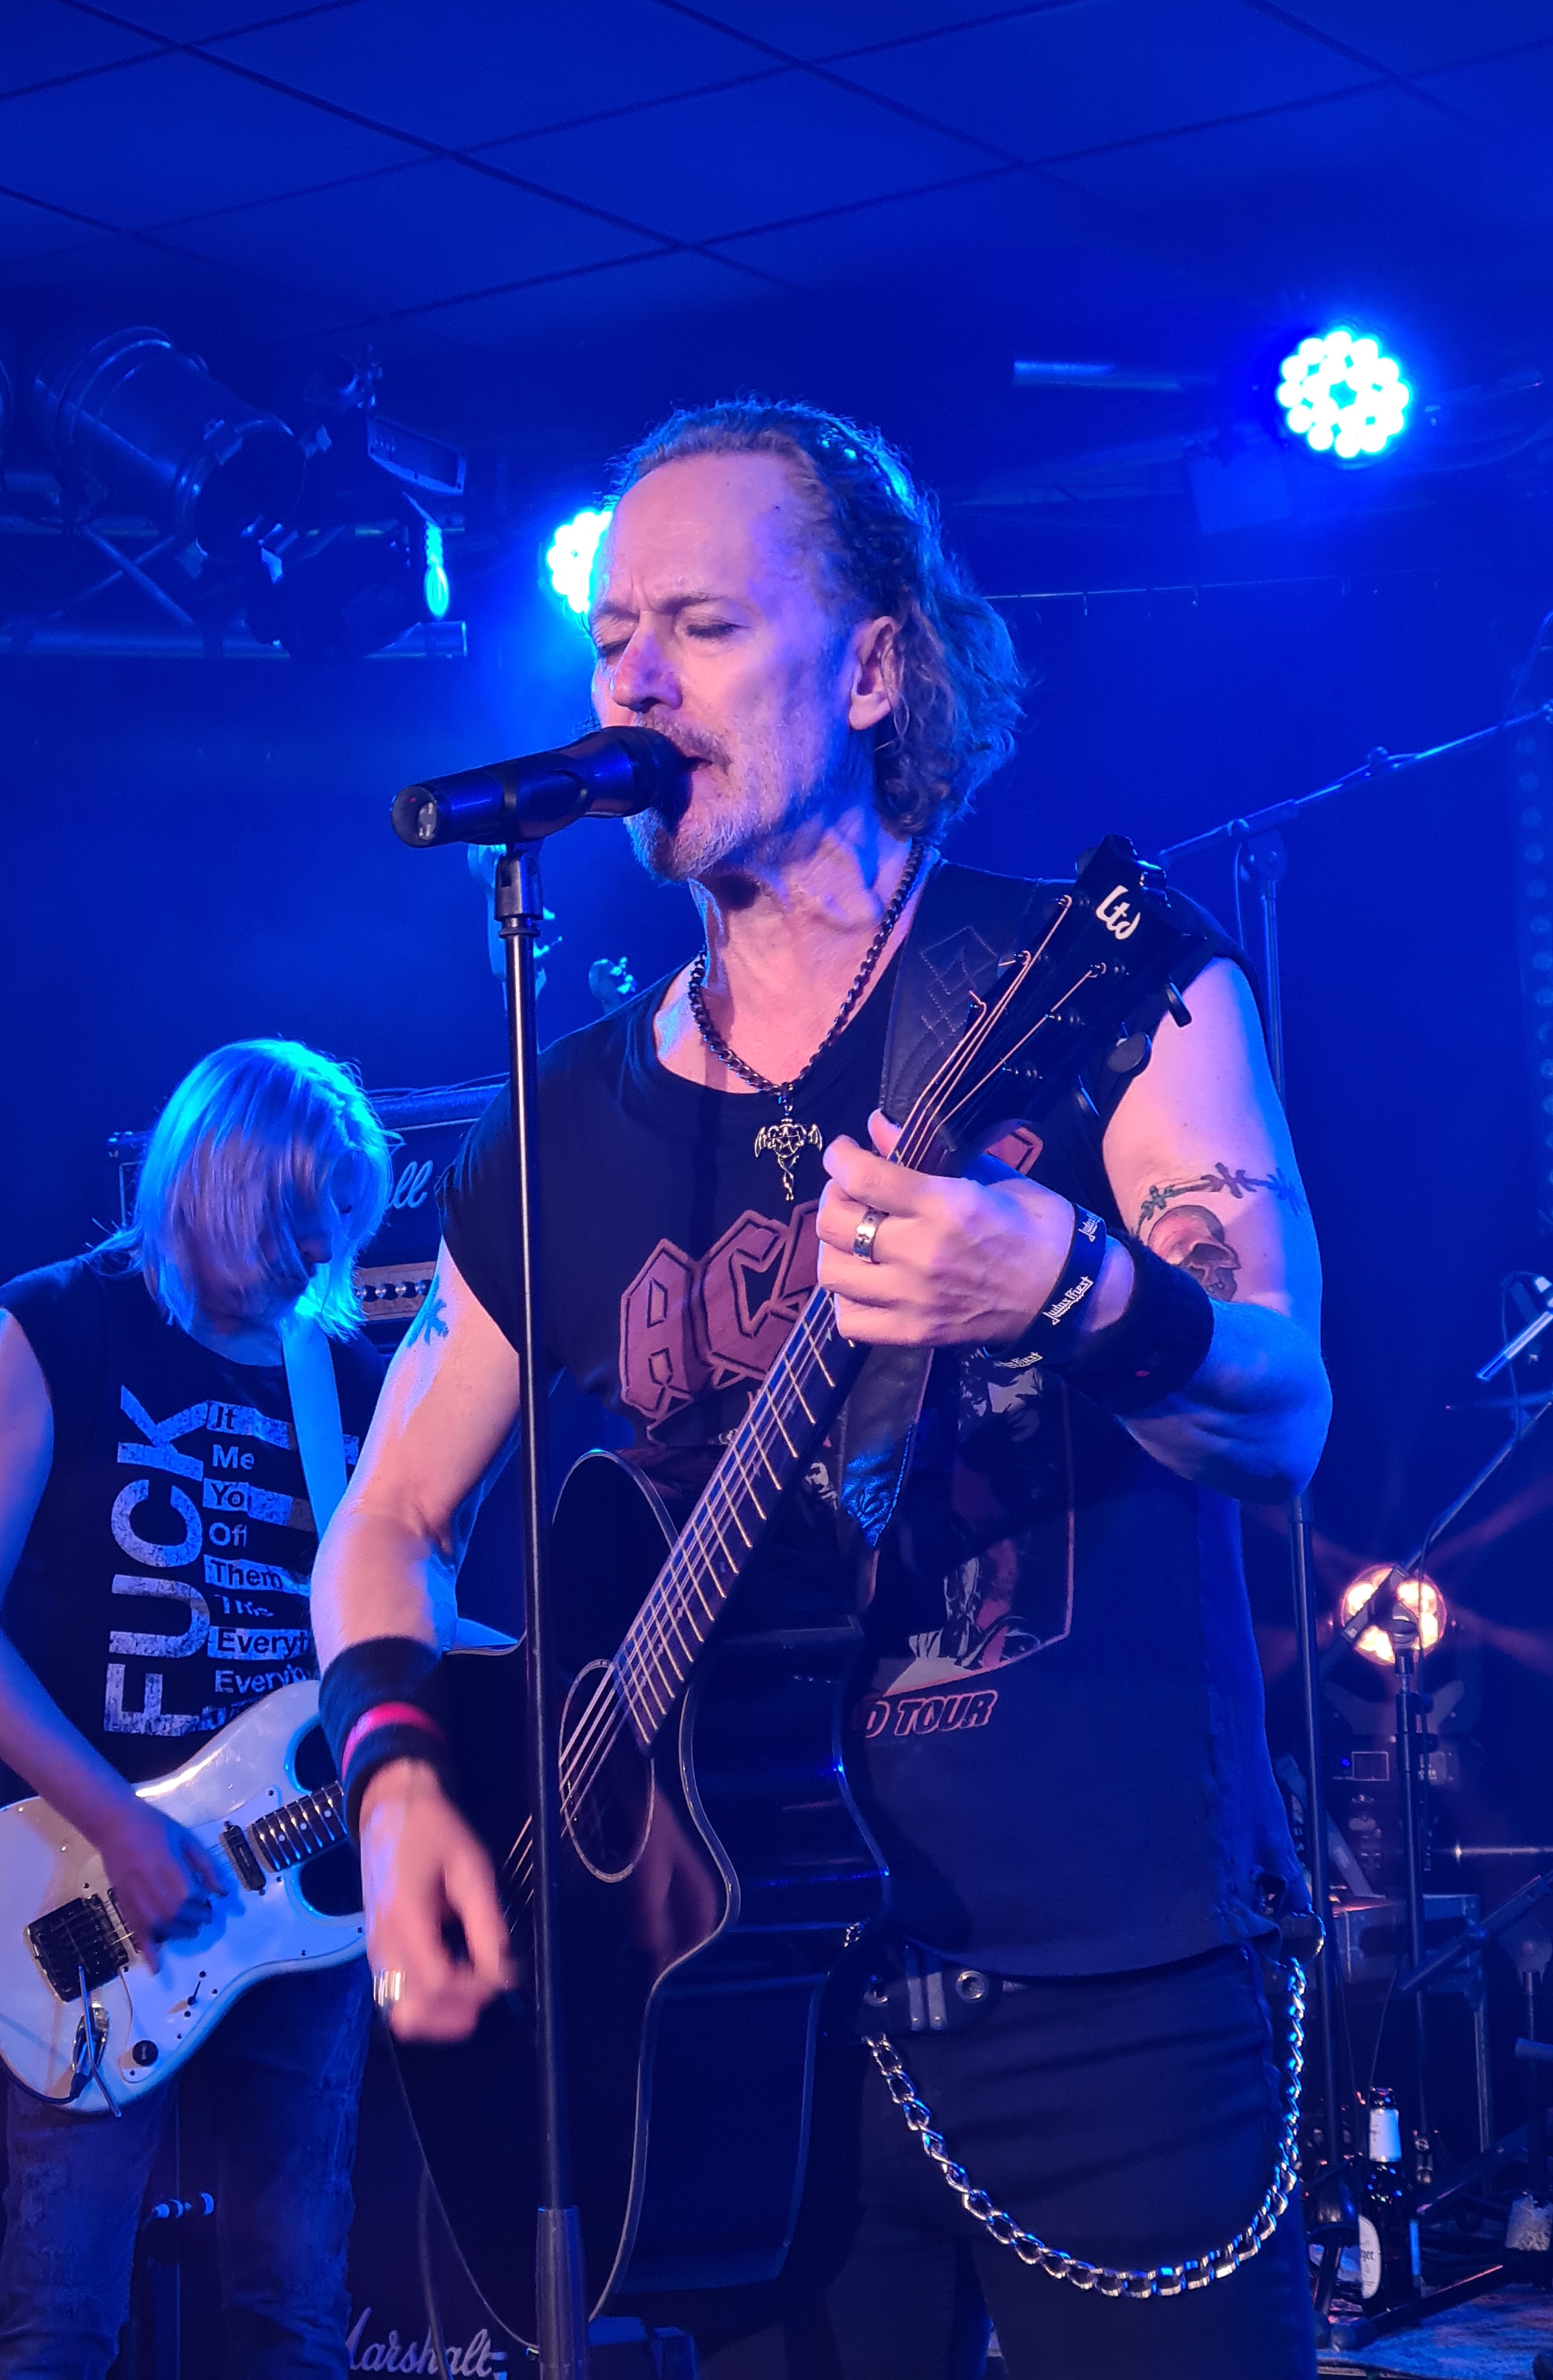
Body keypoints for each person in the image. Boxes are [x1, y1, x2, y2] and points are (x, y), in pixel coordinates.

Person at [310, 401, 1332, 2380]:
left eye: (700, 626)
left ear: (872, 668)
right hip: (728, 2032)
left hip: (1105, 1995)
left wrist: (1069, 1282)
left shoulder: (1093, 984)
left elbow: (1280, 1409)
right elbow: (386, 1523)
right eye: (613, 636)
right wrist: (401, 1777)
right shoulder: (559, 1125)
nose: (634, 681)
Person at [0, 1038, 393, 2380]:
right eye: (298, 1222)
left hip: (303, 1890)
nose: (323, 1255)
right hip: (87, 1883)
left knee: (295, 2319)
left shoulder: (342, 1385)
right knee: (58, 2319)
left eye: (342, 1226)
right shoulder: (59, 1323)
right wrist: (122, 1826)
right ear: (218, 1185)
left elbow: (386, 1640)